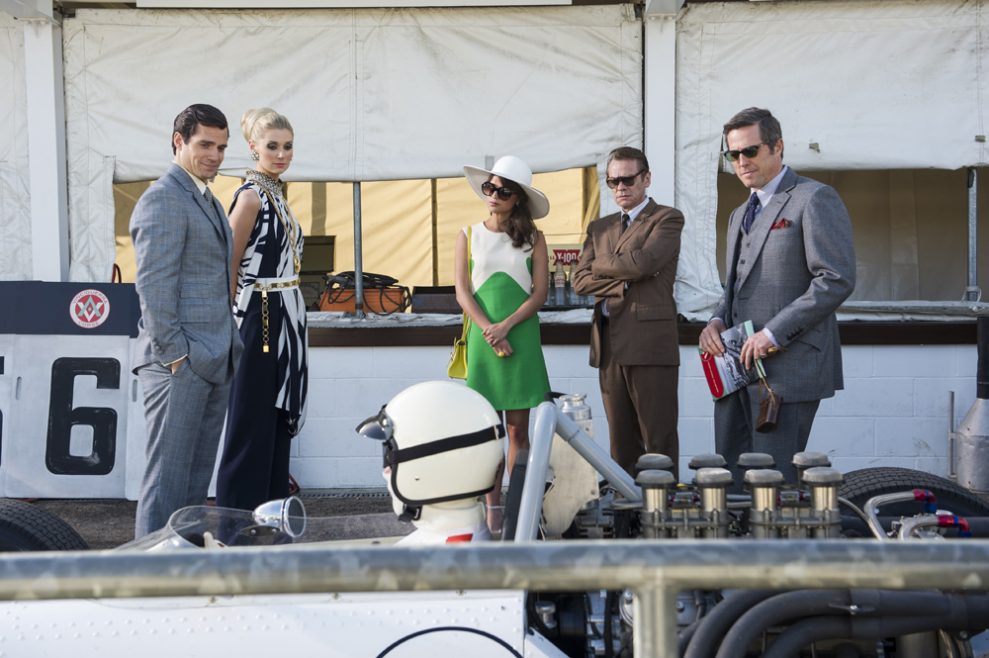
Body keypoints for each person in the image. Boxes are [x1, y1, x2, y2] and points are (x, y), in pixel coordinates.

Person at [698, 107, 856, 485]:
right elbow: (735, 287)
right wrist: (716, 320)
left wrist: (773, 333)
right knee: (731, 481)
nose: (741, 161)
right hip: (736, 371)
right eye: (732, 154)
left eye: (750, 151)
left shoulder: (814, 198)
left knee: (773, 483)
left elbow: (835, 279)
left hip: (789, 369)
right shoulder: (739, 213)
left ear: (778, 146)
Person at [130, 104, 242, 537]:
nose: (215, 155)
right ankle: (150, 573)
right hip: (180, 364)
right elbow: (154, 287)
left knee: (193, 489)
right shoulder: (163, 198)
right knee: (166, 485)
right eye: (205, 145)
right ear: (179, 141)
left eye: (222, 147)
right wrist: (177, 356)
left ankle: (184, 566)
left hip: (212, 358)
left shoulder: (205, 197)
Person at [216, 108, 308, 511]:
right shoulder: (251, 196)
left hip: (285, 314)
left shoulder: (276, 194)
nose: (282, 154)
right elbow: (228, 263)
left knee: (276, 417)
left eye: (288, 146)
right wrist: (227, 323)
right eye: (273, 146)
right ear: (253, 147)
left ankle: (270, 511)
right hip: (261, 315)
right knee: (251, 417)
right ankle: (237, 515)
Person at [572, 147, 684, 478]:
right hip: (608, 346)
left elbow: (645, 263)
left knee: (658, 439)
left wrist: (601, 265)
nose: (620, 187)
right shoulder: (599, 227)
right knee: (620, 444)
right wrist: (622, 282)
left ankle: (662, 507)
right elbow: (580, 281)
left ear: (646, 179)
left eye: (628, 179)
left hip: (650, 343)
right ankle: (628, 506)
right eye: (613, 181)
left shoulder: (666, 218)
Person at [455, 155, 551, 533]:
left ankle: (520, 508)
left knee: (517, 431)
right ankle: (492, 506)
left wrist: (506, 326)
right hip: (483, 339)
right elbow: (462, 292)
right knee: (488, 432)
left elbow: (540, 294)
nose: (493, 195)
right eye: (489, 187)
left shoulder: (535, 239)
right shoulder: (467, 233)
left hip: (521, 335)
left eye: (503, 191)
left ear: (518, 198)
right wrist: (490, 331)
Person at [356, 381, 505, 545]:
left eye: (391, 458)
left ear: (431, 467)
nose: (386, 470)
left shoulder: (446, 556)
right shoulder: (446, 541)